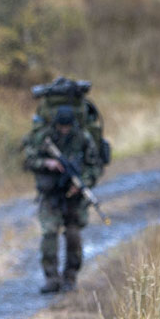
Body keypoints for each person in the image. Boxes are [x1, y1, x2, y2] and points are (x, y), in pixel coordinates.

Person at [23, 105, 102, 294]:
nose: (64, 130)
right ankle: (52, 278)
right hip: (51, 194)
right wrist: (47, 163)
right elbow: (28, 160)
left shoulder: (83, 138)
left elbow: (94, 167)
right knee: (49, 234)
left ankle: (70, 277)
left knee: (73, 235)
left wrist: (82, 183)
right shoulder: (44, 137)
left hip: (74, 197)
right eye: (61, 127)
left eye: (67, 127)